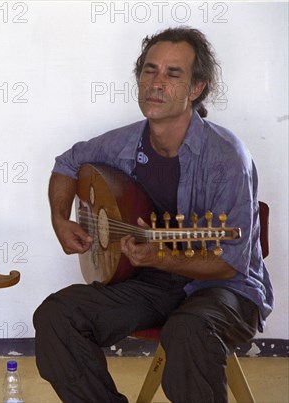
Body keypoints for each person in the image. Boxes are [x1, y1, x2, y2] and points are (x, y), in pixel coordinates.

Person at [33, 27, 274, 403]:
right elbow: (67, 163)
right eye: (149, 70)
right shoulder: (125, 143)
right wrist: (60, 220)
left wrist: (163, 257)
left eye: (172, 74)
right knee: (57, 316)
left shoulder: (227, 158)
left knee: (188, 330)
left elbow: (230, 262)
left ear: (195, 89)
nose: (156, 83)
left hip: (227, 289)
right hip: (153, 282)